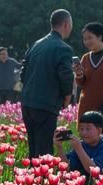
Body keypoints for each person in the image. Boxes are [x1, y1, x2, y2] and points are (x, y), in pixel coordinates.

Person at [20, 9, 74, 158]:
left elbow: (23, 74)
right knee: (44, 151)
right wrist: (67, 96)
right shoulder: (63, 48)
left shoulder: (36, 44)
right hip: (46, 104)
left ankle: (31, 179)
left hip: (27, 103)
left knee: (33, 147)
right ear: (66, 24)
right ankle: (42, 180)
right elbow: (66, 76)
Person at [54, 111, 103, 181]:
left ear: (99, 130)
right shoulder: (82, 144)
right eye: (81, 129)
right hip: (93, 177)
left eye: (88, 129)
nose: (84, 133)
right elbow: (67, 167)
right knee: (66, 175)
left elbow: (94, 171)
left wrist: (78, 148)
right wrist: (59, 147)